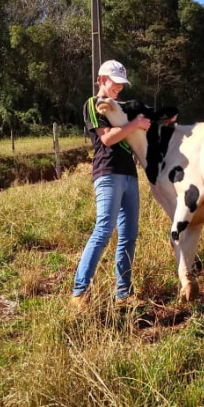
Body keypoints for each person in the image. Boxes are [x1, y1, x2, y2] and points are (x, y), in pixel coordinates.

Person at [70, 60, 151, 307]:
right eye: (115, 83)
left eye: (121, 84)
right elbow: (106, 139)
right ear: (102, 79)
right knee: (104, 229)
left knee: (129, 235)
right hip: (108, 174)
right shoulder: (93, 105)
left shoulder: (120, 108)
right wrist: (135, 125)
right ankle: (79, 292)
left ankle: (123, 294)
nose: (119, 88)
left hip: (129, 175)